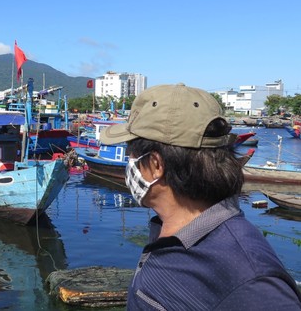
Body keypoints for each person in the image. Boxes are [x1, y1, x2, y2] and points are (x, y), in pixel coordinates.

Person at [101, 83, 301, 310]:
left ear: (156, 165)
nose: (128, 162)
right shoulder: (171, 229)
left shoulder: (250, 280)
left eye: (131, 153)